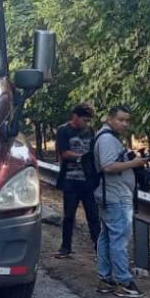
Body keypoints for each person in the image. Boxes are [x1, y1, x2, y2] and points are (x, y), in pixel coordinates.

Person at [94, 105, 148, 298]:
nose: (125, 124)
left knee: (107, 237)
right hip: (115, 196)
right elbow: (108, 166)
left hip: (110, 194)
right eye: (120, 119)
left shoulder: (107, 137)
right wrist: (135, 163)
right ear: (110, 119)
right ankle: (124, 282)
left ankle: (106, 279)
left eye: (127, 120)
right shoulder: (107, 139)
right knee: (118, 239)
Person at [54, 103, 101, 259]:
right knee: (69, 216)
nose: (86, 124)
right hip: (71, 181)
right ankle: (65, 247)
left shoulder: (90, 131)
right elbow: (64, 153)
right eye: (84, 120)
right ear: (75, 117)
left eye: (88, 121)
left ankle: (99, 249)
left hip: (88, 181)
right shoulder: (63, 130)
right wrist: (82, 157)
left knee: (93, 217)